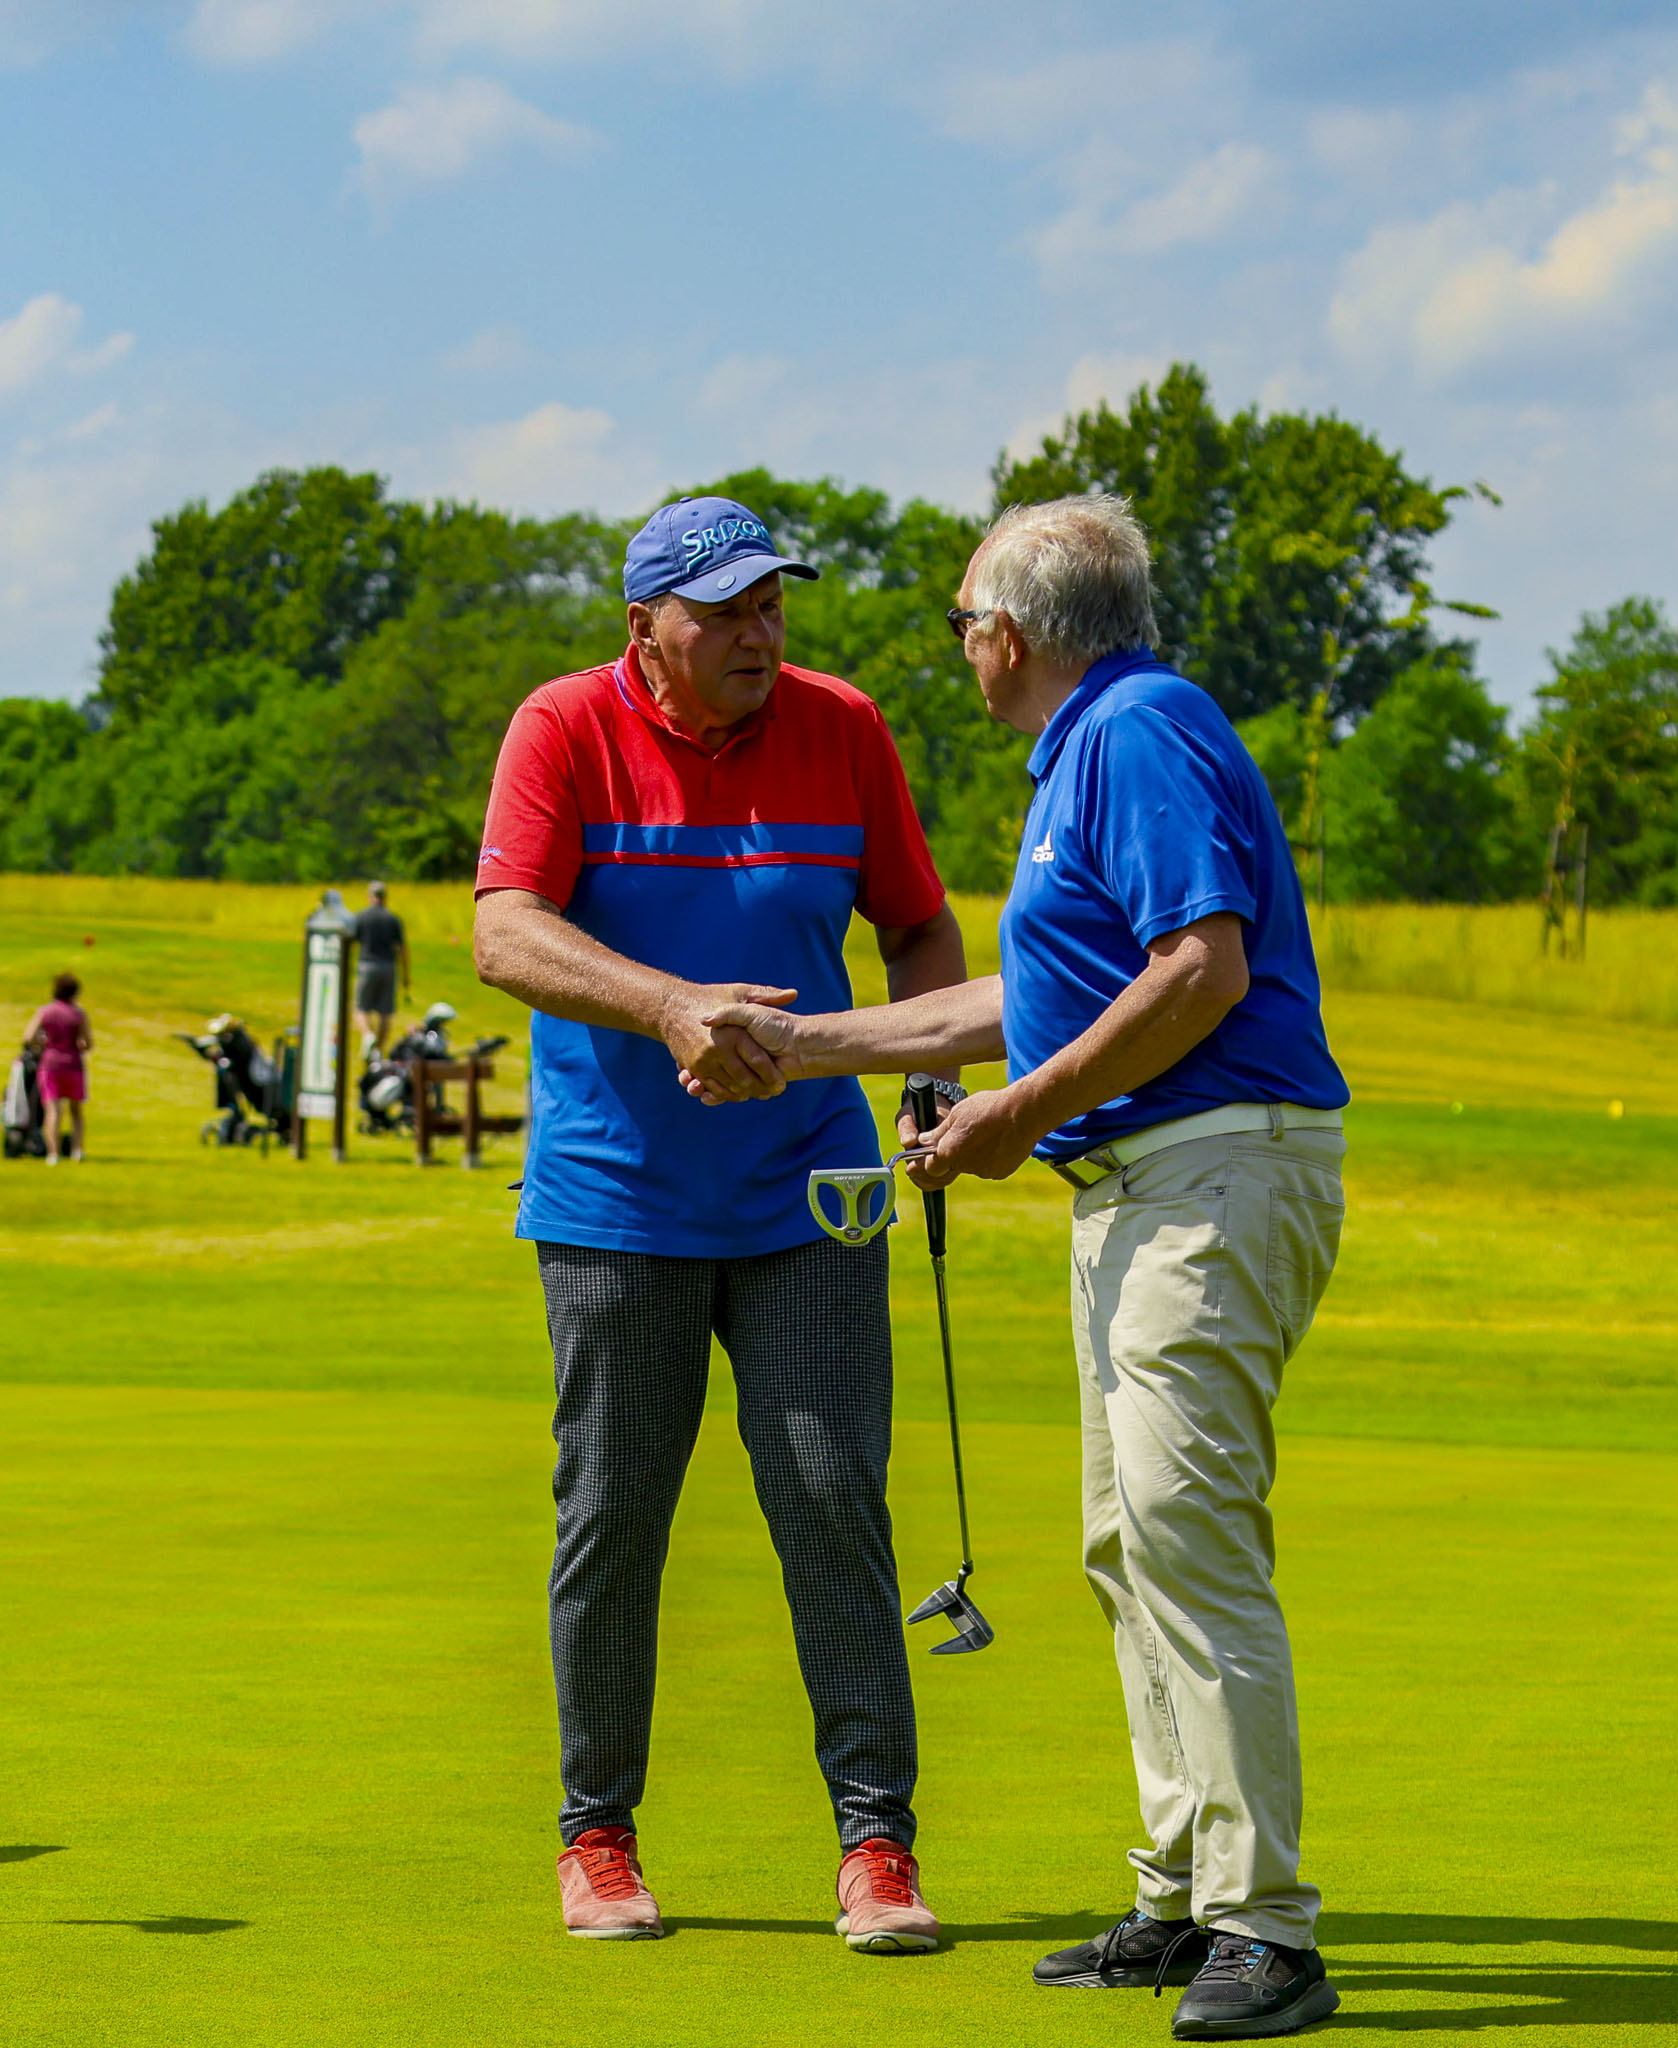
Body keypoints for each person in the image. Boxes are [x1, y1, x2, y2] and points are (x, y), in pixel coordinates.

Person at [692, 494, 1351, 2038]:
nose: (961, 651)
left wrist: (1015, 1117)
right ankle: (1184, 1896)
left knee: (1189, 1546)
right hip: (1138, 1190)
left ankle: (1271, 1929)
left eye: (961, 623)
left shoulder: (1139, 730)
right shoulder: (1087, 756)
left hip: (1208, 1174)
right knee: (1129, 1550)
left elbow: (1204, 967)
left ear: (1010, 632)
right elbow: (1025, 1003)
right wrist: (803, 1046)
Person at [472, 494, 968, 1950]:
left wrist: (924, 1075)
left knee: (832, 1502)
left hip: (810, 1189)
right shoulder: (562, 727)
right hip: (617, 1197)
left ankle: (877, 1848)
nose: (762, 634)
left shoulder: (846, 727)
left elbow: (918, 924)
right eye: (729, 612)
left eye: (774, 607)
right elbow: (503, 930)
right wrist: (670, 1005)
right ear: (647, 629)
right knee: (614, 1514)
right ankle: (598, 1837)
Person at [25, 972, 91, 1163]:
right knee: (76, 1111)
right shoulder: (78, 1014)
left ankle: (53, 1154)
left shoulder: (46, 1011)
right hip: (73, 1064)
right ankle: (77, 1151)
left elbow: (29, 1037)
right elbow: (87, 1043)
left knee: (53, 1110)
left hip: (50, 1063)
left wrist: (43, 1043)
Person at [352, 881, 407, 1051]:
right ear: (385, 897)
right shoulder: (392, 919)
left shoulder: (361, 917)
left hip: (367, 965)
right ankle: (378, 1051)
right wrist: (406, 975)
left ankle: (368, 1035)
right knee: (385, 1012)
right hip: (388, 967)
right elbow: (402, 949)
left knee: (360, 1008)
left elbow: (351, 944)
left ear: (370, 896)